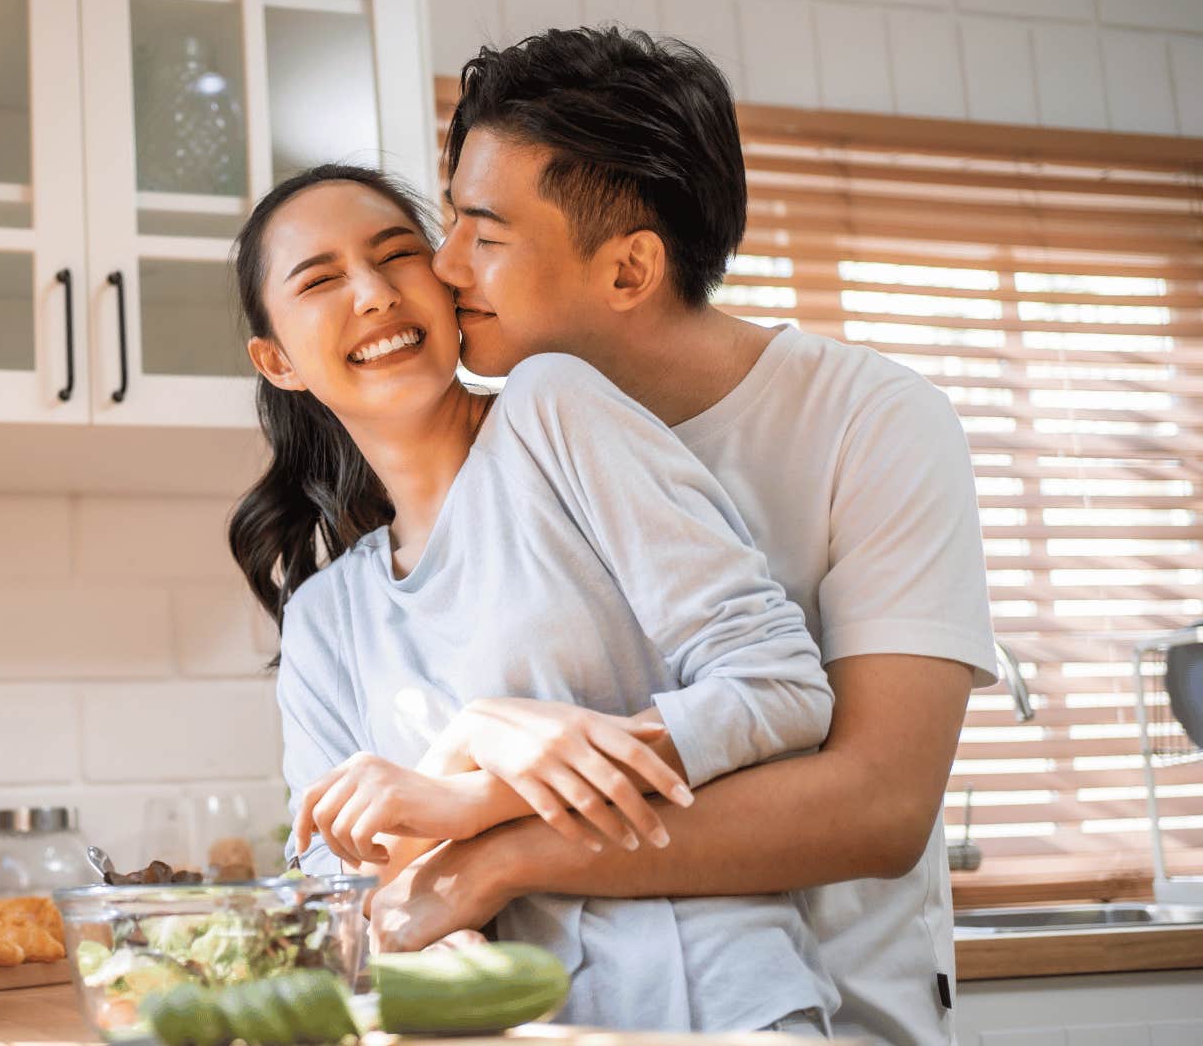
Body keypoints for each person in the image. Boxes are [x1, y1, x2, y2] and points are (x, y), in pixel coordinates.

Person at [363, 27, 996, 1046]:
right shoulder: (500, 448)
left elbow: (879, 806)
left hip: (833, 1015)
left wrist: (501, 849)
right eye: (448, 222)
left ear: (630, 271)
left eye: (484, 235)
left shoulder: (874, 422)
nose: (441, 268)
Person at [227, 162, 837, 1036]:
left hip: (715, 1004)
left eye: (398, 254)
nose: (372, 293)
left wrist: (481, 798)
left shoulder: (553, 412)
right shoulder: (325, 621)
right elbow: (339, 917)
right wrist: (465, 750)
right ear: (277, 360)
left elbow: (781, 690)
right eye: (321, 279)